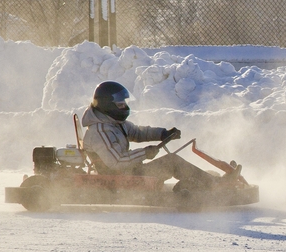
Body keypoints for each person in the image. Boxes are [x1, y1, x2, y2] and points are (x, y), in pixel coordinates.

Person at [81, 81, 240, 192]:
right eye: (121, 104)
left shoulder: (112, 122)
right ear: (108, 105)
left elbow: (138, 132)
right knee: (171, 161)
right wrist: (145, 152)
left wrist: (163, 133)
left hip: (130, 172)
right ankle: (214, 185)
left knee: (171, 160)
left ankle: (207, 181)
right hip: (119, 179)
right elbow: (116, 162)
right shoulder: (99, 131)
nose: (125, 107)